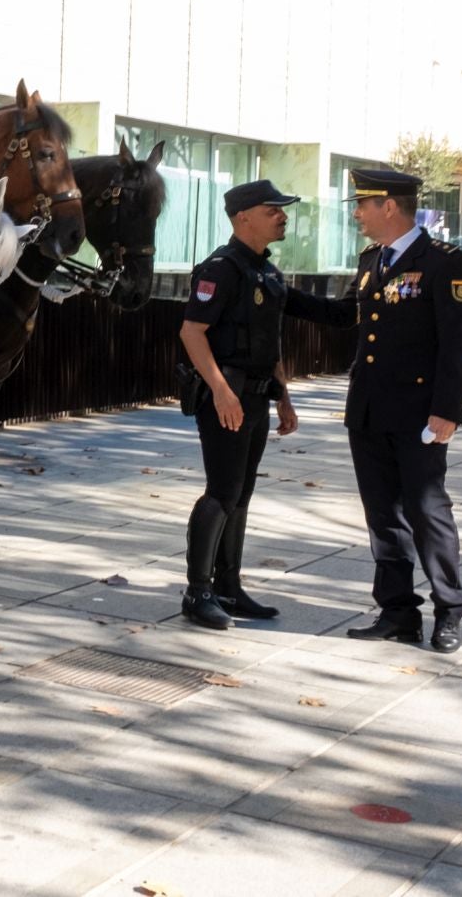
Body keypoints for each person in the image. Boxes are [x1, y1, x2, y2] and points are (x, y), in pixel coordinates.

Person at [176, 180, 349, 629]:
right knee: (222, 491)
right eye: (273, 209)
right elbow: (192, 333)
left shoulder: (267, 273)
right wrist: (219, 390)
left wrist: (284, 399)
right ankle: (198, 592)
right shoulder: (221, 268)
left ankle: (228, 586)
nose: (283, 216)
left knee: (242, 493)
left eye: (282, 209)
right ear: (243, 217)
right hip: (225, 398)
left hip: (254, 397)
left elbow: (276, 340)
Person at [338, 167, 462, 653]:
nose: (357, 213)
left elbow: (457, 345)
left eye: (362, 204)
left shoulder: (445, 262)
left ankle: (448, 611)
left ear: (389, 206)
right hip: (370, 410)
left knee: (426, 510)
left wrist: (447, 411)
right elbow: (344, 315)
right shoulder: (371, 259)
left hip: (420, 413)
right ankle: (397, 612)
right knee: (383, 517)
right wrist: (272, 290)